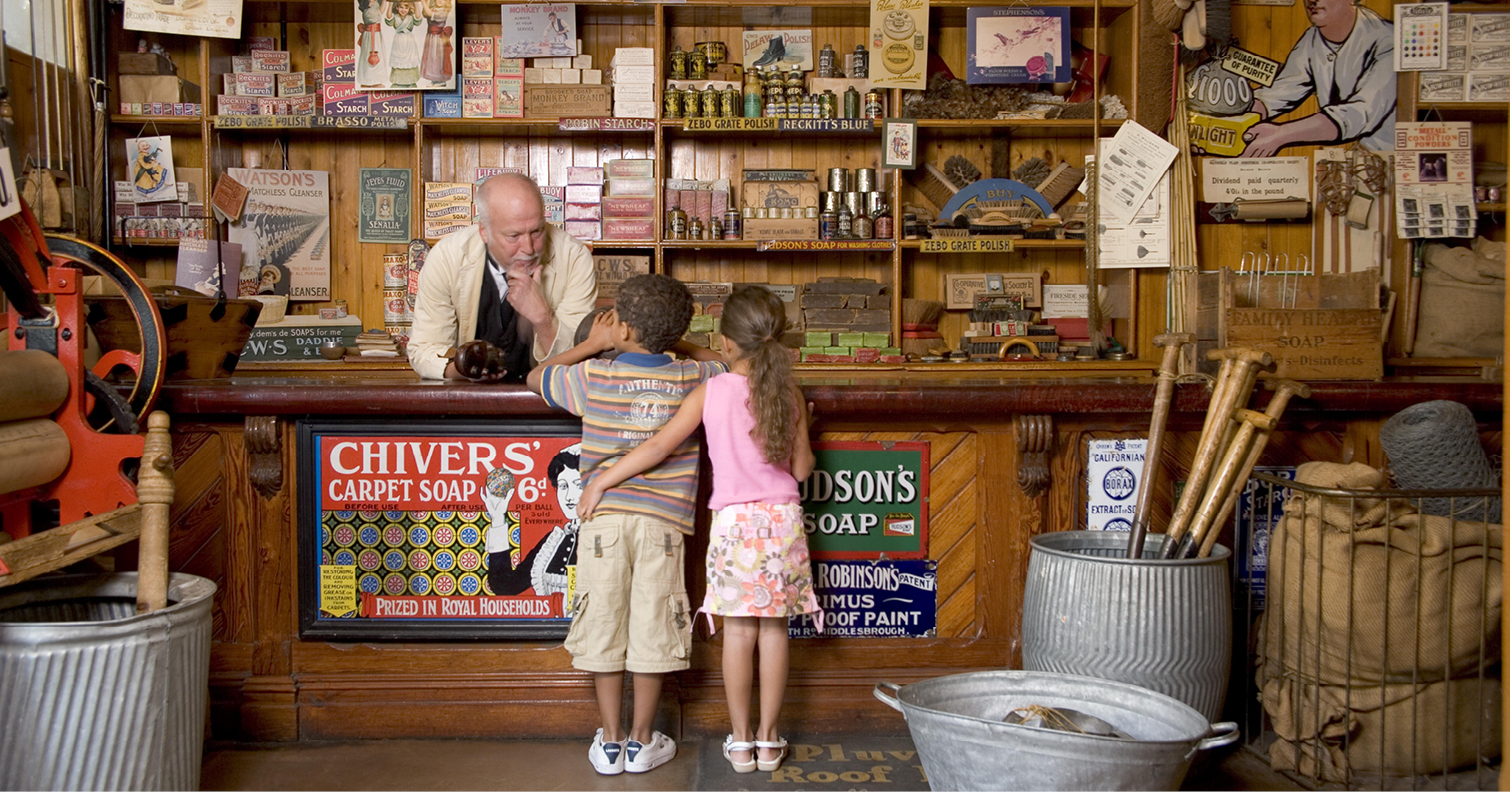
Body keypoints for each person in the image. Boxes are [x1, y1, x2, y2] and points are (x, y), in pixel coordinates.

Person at [577, 285, 819, 776]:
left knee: (737, 632)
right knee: (774, 631)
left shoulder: (711, 391)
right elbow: (800, 470)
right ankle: (769, 743)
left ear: (727, 343)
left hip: (733, 526)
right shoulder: (789, 392)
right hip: (782, 524)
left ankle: (740, 742)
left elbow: (659, 447)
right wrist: (806, 427)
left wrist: (601, 480)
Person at [525, 274, 726, 776]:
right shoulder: (692, 378)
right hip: (663, 524)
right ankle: (642, 741)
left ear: (623, 328)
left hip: (603, 520)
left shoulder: (594, 376)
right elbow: (733, 364)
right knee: (655, 626)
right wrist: (669, 338)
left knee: (604, 621)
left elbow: (536, 376)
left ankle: (610, 740)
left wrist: (595, 344)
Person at [408, 173, 597, 382]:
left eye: (537, 231)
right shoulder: (446, 257)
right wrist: (464, 369)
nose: (528, 248)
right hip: (468, 399)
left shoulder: (574, 257)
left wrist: (543, 318)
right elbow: (425, 350)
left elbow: (581, 357)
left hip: (548, 399)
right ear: (484, 232)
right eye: (513, 236)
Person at [1240, 0, 1395, 157]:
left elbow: (1358, 113)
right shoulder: (1313, 37)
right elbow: (1283, 89)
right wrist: (1238, 111)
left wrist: (1281, 133)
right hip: (1349, 164)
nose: (1312, 0)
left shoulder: (1389, 41)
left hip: (1393, 163)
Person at [485, 444, 582, 602]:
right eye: (563, 486)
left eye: (579, 485)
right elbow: (505, 586)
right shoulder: (554, 541)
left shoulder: (603, 537)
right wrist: (497, 519)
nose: (569, 496)